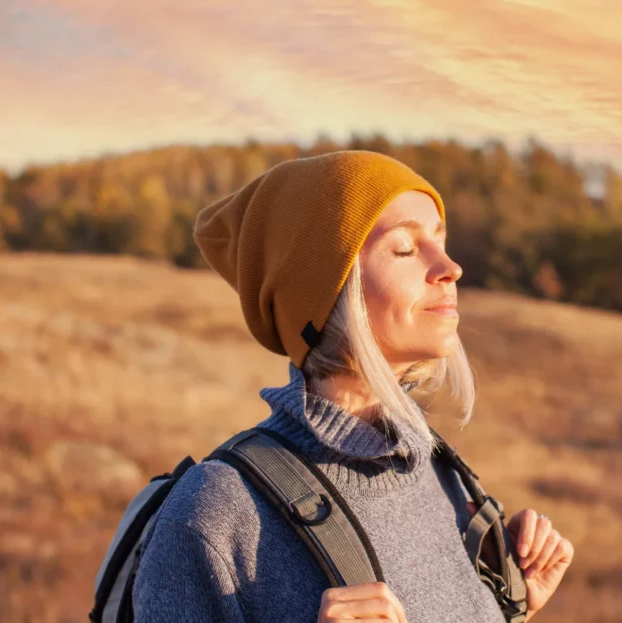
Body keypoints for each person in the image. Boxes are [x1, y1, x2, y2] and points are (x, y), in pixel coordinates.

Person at [132, 150, 574, 622]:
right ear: (326, 292)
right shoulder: (216, 510)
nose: (450, 267)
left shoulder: (440, 473)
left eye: (440, 240)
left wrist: (512, 605)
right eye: (404, 249)